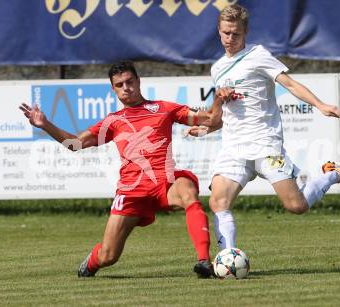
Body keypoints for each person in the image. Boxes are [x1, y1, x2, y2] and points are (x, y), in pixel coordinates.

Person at [19, 61, 222, 278]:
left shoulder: (164, 108)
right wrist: (45, 124)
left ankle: (203, 261)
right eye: (119, 85)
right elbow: (74, 144)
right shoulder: (113, 121)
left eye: (129, 82)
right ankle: (92, 262)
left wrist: (219, 97)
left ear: (138, 81)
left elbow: (211, 119)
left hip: (164, 182)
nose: (126, 87)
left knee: (188, 191)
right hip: (131, 191)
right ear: (113, 89)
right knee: (109, 255)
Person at [187, 4, 340, 250]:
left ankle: (333, 173)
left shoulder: (258, 55)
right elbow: (222, 117)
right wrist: (203, 129)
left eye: (235, 33)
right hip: (233, 149)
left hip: (265, 144)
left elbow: (290, 84)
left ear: (245, 31)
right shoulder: (217, 69)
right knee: (218, 202)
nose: (230, 38)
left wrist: (320, 105)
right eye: (226, 32)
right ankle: (228, 258)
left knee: (296, 206)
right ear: (218, 30)